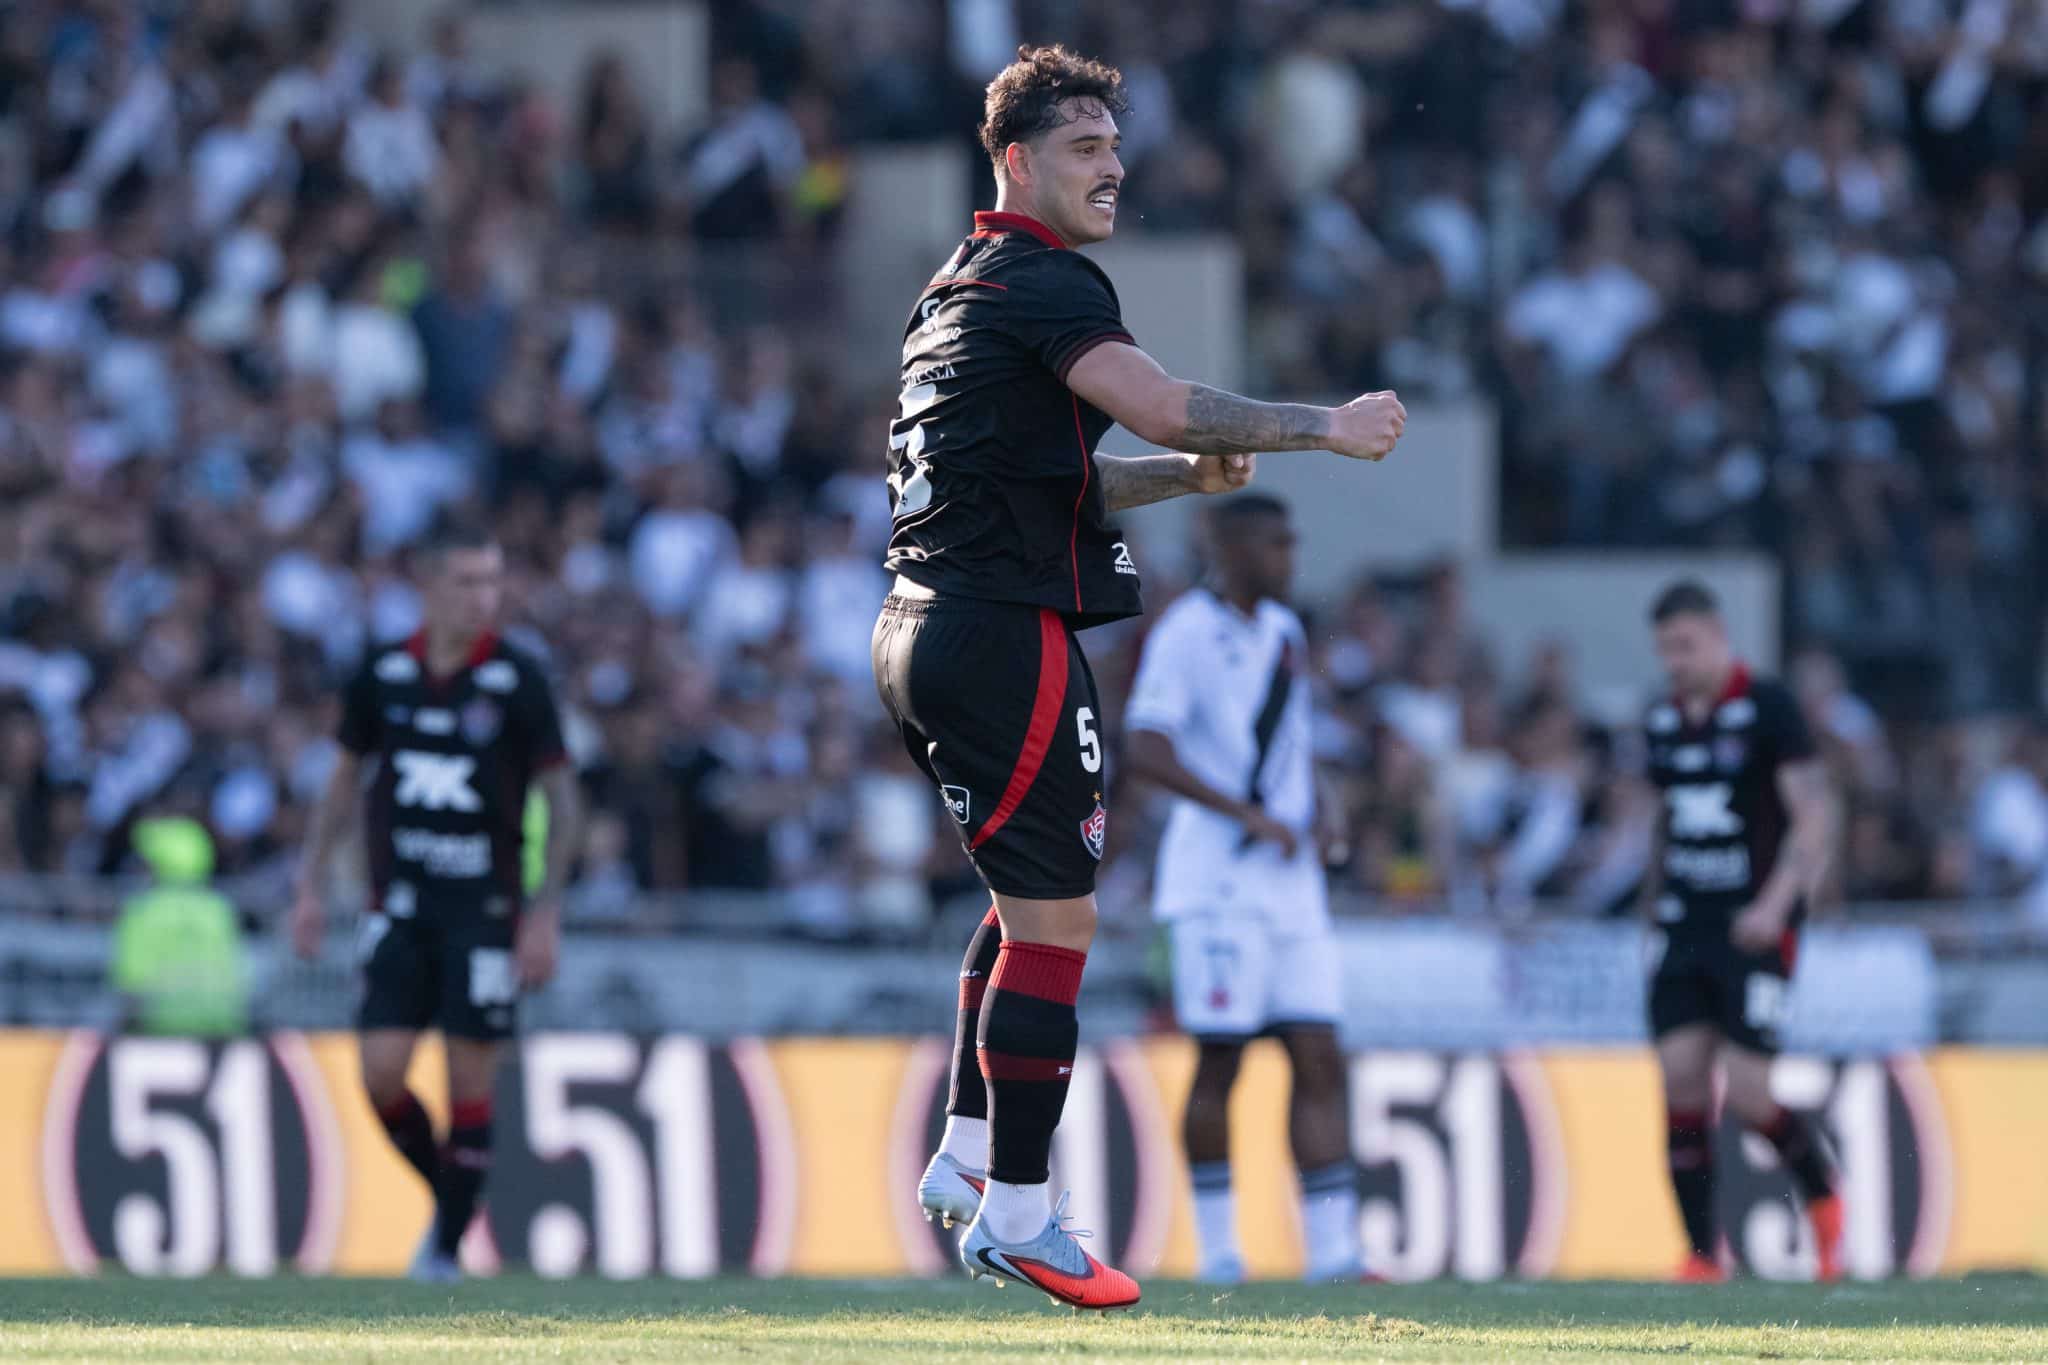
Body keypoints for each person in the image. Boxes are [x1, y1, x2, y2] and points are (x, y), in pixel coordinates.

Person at [873, 45, 1405, 1309]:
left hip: (917, 625)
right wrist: (1321, 428)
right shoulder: (1049, 282)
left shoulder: (951, 291)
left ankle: (961, 1155)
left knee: (1020, 903)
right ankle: (1018, 1213)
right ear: (1015, 159)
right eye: (1083, 149)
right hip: (1004, 636)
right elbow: (1162, 405)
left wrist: (1181, 479)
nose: (1112, 170)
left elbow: (1053, 480)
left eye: (1115, 148)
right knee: (1059, 923)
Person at [288, 522, 581, 1283]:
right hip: (398, 905)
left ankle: (445, 1250)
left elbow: (564, 797)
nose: (483, 596)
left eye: (492, 581)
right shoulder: (383, 673)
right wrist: (310, 884)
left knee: (468, 1080)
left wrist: (544, 912)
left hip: (484, 911)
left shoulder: (518, 678)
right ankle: (454, 1200)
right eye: (467, 581)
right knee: (381, 1073)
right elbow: (343, 781)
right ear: (429, 586)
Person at [1123, 495, 1362, 1285]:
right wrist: (1246, 816)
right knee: (1221, 1057)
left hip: (1292, 883)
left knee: (1319, 1053)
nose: (1290, 556)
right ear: (1230, 549)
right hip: (1216, 881)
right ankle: (1219, 1251)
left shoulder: (1285, 634)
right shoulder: (1187, 631)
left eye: (1292, 541)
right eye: (1275, 542)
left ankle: (1334, 1256)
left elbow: (1292, 745)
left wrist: (1323, 807)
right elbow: (1145, 746)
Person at [1639, 581, 1843, 1283]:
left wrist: (1776, 904)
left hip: (1754, 928)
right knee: (1680, 1080)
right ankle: (1701, 1254)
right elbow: (1662, 824)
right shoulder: (1663, 719)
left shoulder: (1768, 705)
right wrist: (1648, 908)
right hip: (1683, 925)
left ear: (1719, 633)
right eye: (1665, 648)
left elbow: (1813, 815)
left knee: (1752, 1094)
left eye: (1686, 644)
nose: (1675, 660)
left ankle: (1826, 1204)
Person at [112, 817, 249, 1037]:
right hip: (219, 1035)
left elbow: (131, 988)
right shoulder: (219, 910)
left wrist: (122, 1034)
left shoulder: (143, 911)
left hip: (157, 1035)